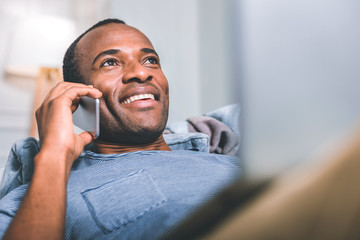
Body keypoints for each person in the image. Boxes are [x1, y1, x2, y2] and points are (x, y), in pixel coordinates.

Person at [0, 18, 239, 239]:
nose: (141, 72)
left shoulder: (229, 156)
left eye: (150, 60)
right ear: (79, 97)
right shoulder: (41, 195)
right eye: (110, 62)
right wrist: (55, 153)